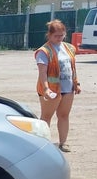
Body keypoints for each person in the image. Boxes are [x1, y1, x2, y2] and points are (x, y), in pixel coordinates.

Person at [35, 19, 81, 152]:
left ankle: (63, 143)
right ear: (49, 35)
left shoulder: (69, 48)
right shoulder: (43, 51)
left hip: (68, 88)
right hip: (52, 90)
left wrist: (76, 83)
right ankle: (42, 145)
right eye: (56, 36)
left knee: (64, 115)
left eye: (62, 35)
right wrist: (46, 89)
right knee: (46, 117)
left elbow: (72, 68)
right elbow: (42, 73)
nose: (59, 38)